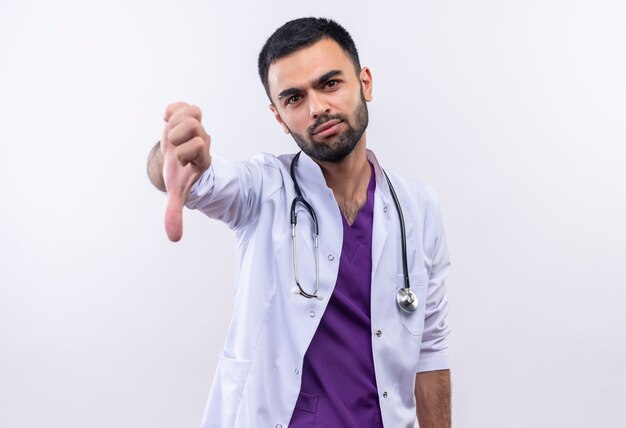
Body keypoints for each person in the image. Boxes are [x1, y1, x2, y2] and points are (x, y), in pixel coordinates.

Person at [147, 17, 451, 428]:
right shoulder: (264, 190)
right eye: (293, 98)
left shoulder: (417, 207)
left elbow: (430, 352)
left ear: (365, 83)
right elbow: (208, 180)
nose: (317, 108)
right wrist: (176, 160)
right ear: (279, 117)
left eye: (330, 83)